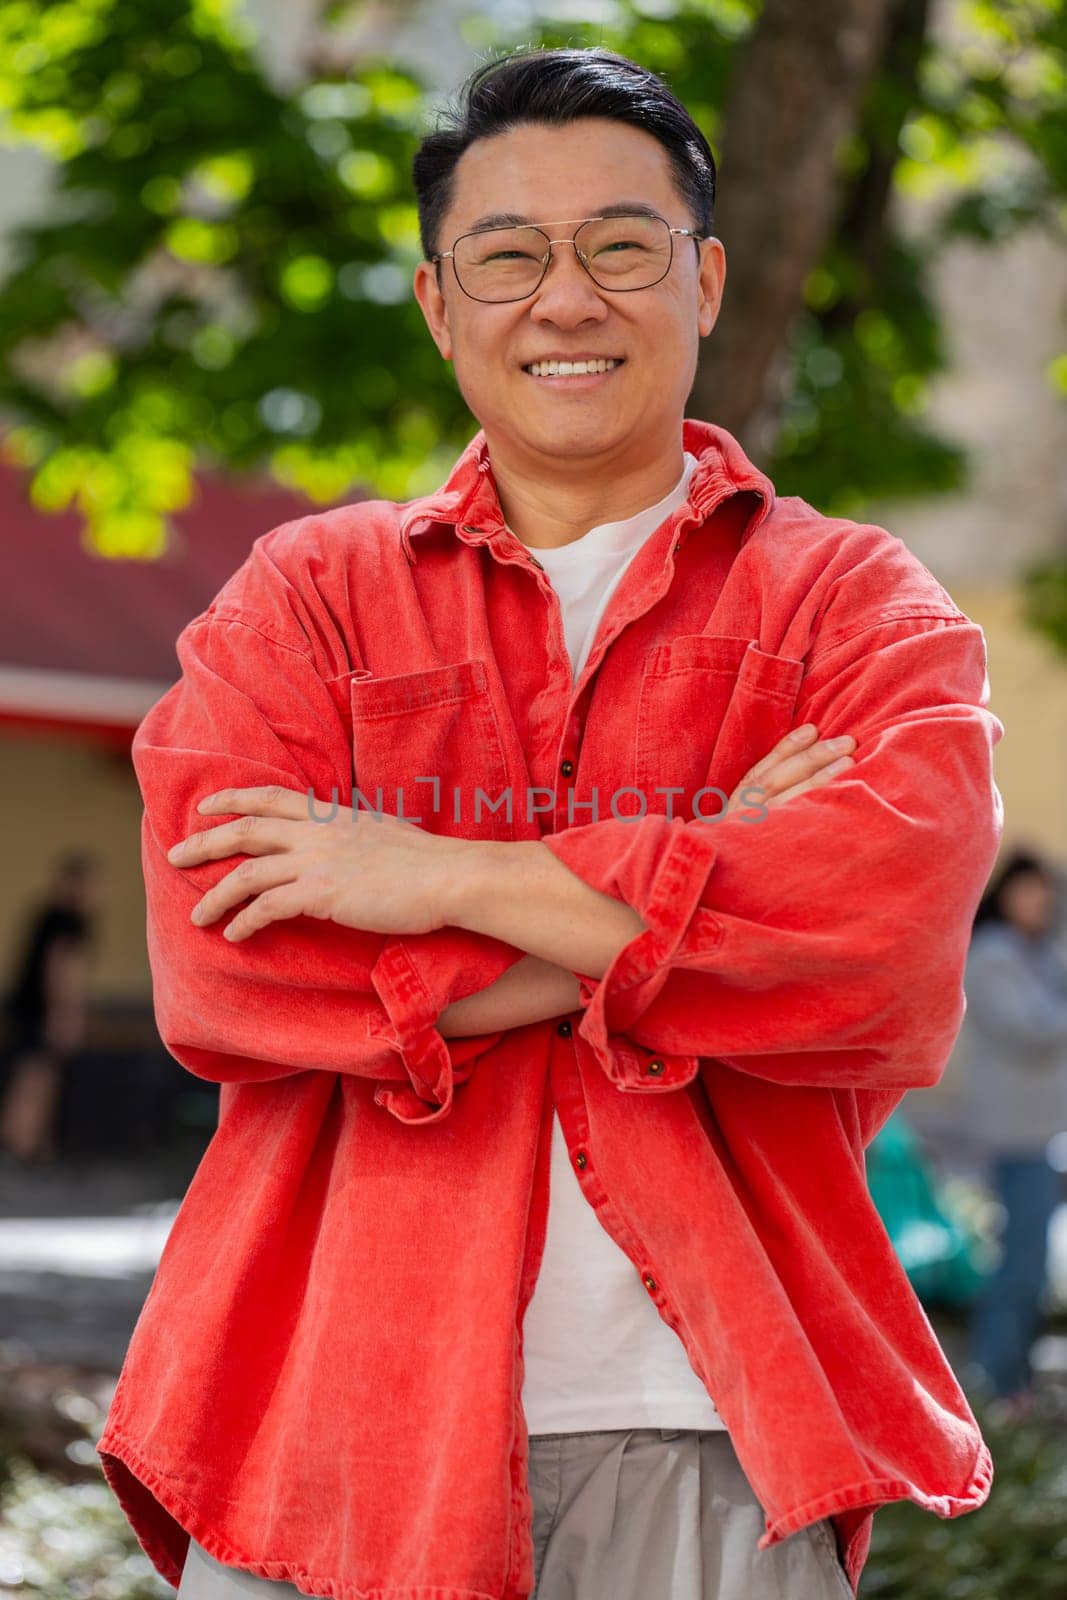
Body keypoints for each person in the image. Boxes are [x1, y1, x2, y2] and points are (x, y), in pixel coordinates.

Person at [96, 45, 1004, 1600]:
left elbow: (875, 957)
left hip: (716, 1426)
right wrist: (710, 868)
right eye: (507, 254)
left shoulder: (852, 606)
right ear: (439, 304)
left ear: (705, 280)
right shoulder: (306, 602)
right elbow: (224, 971)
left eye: (620, 247)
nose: (564, 298)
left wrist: (434, 877)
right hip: (328, 1412)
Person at [960, 847, 1067, 1422]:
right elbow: (1034, 1029)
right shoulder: (994, 954)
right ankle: (994, 1385)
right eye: (1029, 891)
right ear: (1004, 894)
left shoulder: (1037, 952)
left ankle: (1014, 1384)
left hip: (1043, 1132)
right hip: (1014, 1135)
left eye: (1047, 893)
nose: (1041, 902)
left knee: (1032, 1263)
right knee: (1019, 1264)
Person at [0, 850, 98, 1166]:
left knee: (33, 1073)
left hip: (27, 1006)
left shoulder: (47, 915)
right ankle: (24, 1144)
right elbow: (60, 969)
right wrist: (64, 1015)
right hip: (42, 1010)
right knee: (38, 1076)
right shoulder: (68, 919)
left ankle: (29, 1142)